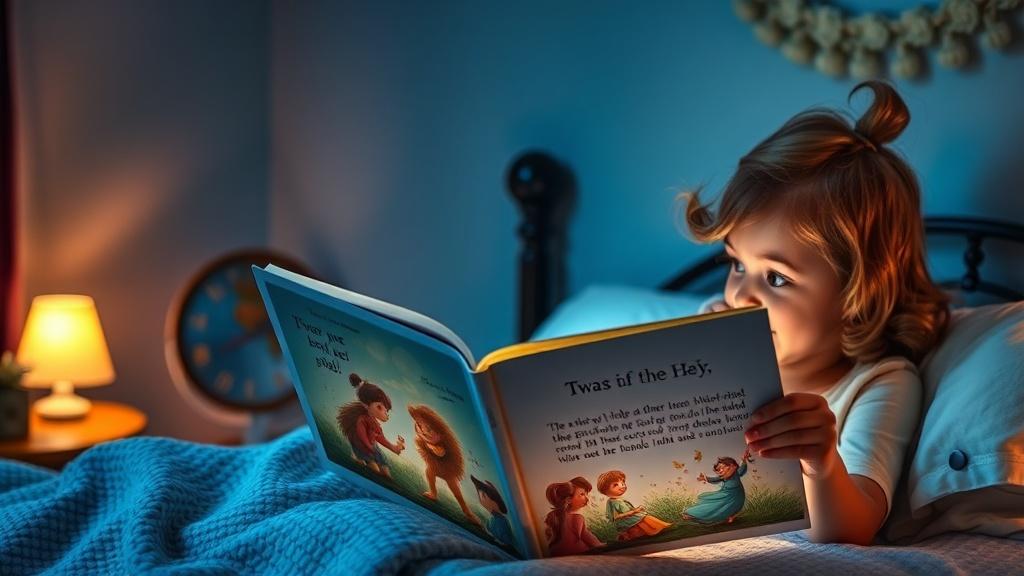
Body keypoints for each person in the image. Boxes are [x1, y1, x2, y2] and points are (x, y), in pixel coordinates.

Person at [682, 80, 949, 545]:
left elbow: (853, 527)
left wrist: (821, 463)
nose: (740, 296)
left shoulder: (877, 383)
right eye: (737, 264)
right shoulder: (712, 325)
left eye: (777, 278)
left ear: (855, 295)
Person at [596, 470, 672, 541]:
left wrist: (635, 511)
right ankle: (656, 529)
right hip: (622, 521)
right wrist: (635, 511)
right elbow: (616, 517)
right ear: (605, 490)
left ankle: (657, 528)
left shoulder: (620, 500)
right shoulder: (612, 502)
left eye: (623, 483)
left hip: (629, 518)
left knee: (641, 515)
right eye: (616, 485)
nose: (622, 486)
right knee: (642, 516)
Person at [682, 450, 752, 525]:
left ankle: (730, 516)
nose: (721, 471)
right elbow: (715, 479)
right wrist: (705, 478)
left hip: (737, 496)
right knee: (717, 506)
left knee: (732, 507)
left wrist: (744, 460)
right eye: (719, 470)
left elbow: (742, 469)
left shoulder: (736, 473)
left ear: (732, 466)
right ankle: (694, 514)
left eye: (723, 468)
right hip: (725, 495)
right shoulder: (724, 477)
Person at [544, 477, 605, 556]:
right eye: (582, 494)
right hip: (580, 555)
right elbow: (592, 541)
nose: (587, 498)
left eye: (587, 494)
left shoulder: (551, 516)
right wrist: (603, 546)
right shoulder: (577, 518)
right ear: (569, 500)